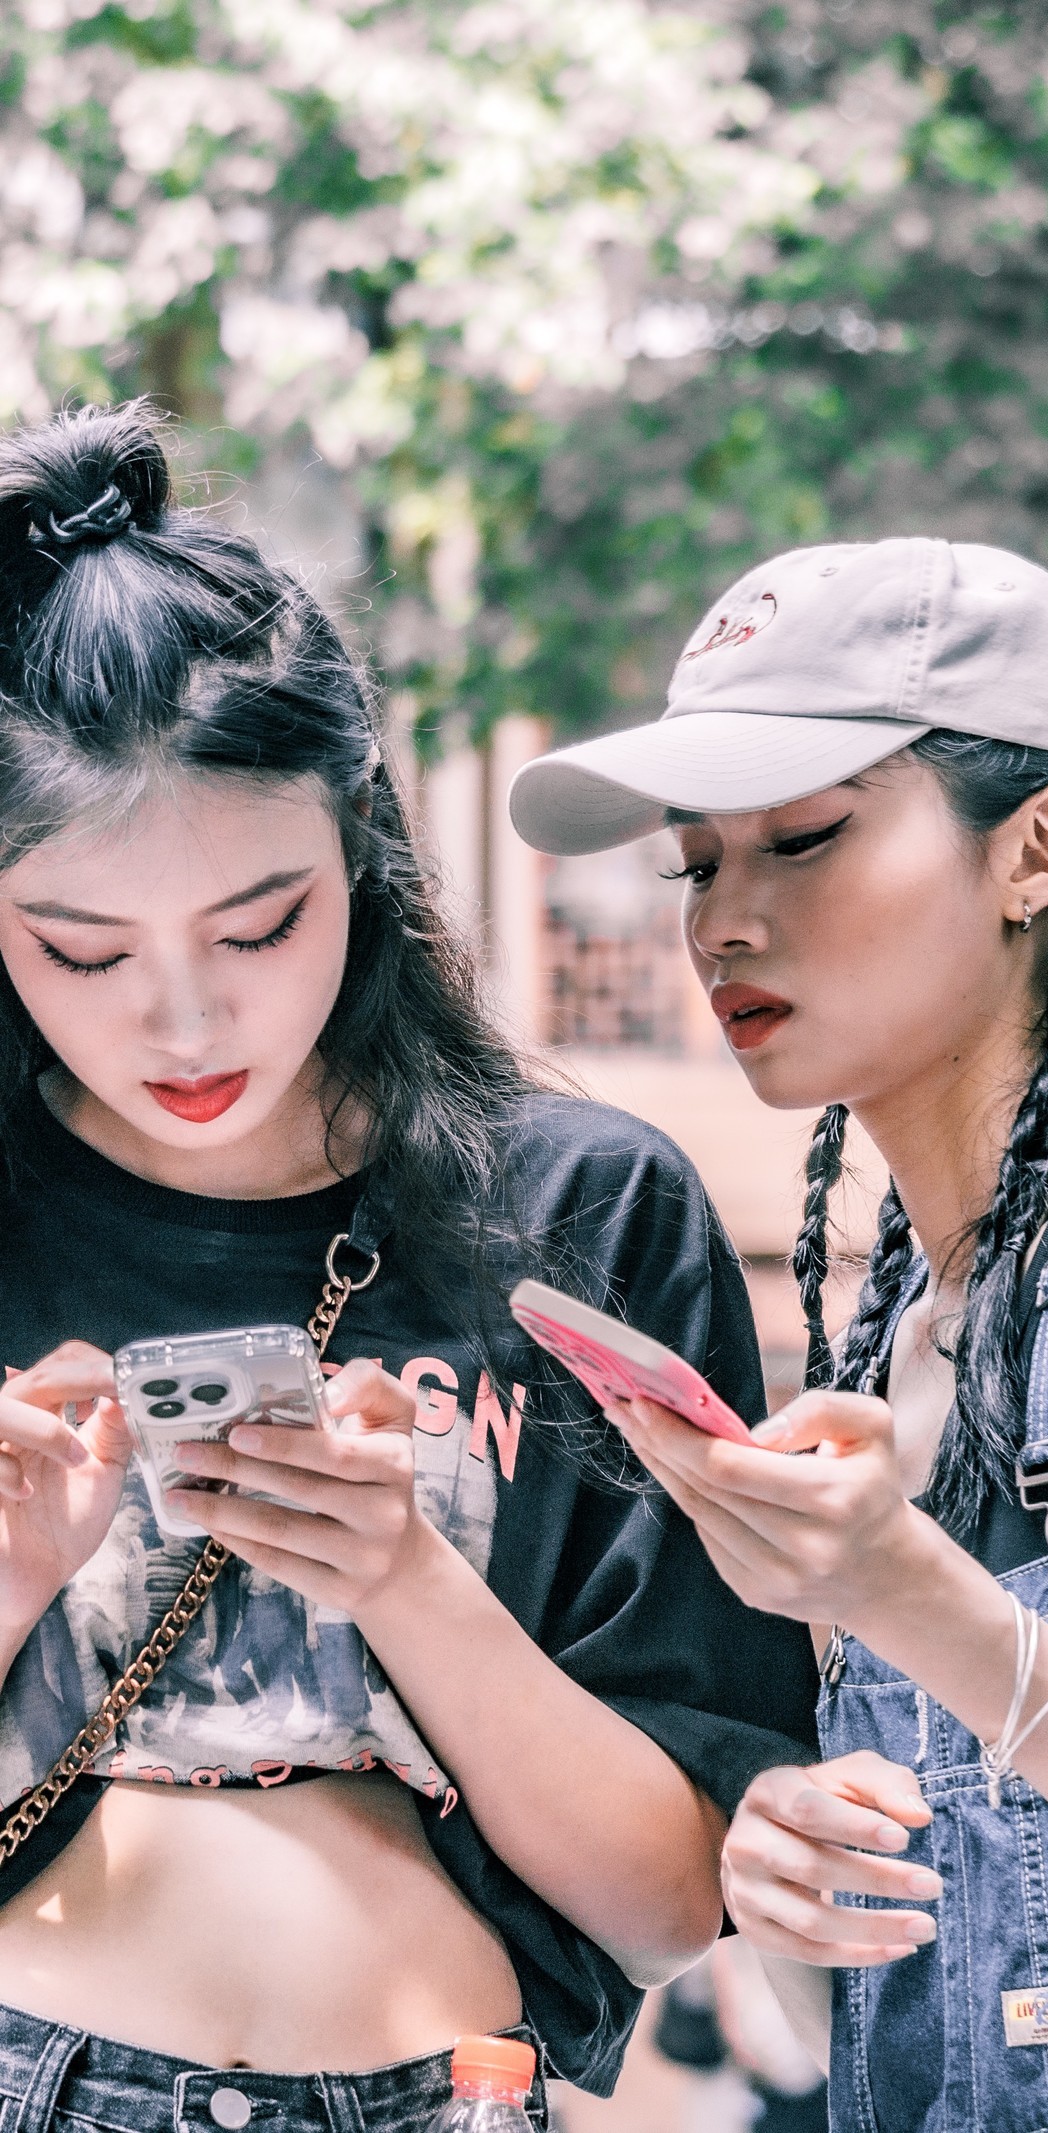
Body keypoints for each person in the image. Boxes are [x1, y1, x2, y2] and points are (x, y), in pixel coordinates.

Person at [0, 403, 819, 2133]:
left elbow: (675, 1903)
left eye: (259, 921)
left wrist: (407, 1578)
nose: (188, 1018)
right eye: (83, 949)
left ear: (364, 850)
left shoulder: (584, 1215)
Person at [509, 536, 1048, 2132]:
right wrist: (784, 1872)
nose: (723, 922)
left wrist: (908, 1592)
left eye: (804, 839)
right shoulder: (902, 1334)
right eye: (697, 862)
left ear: (1039, 848)